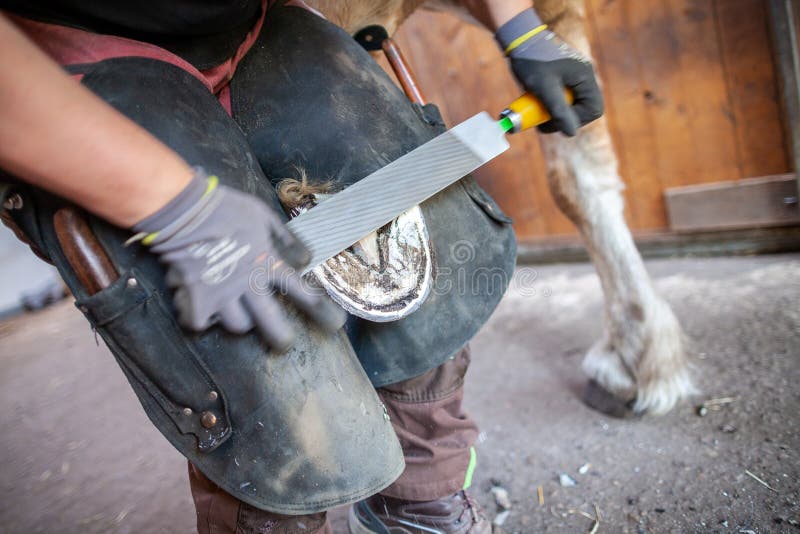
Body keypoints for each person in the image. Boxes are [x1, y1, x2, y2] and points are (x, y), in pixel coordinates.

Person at [0, 1, 602, 532]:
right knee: (256, 356)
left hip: (254, 25)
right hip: (60, 59)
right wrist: (177, 208)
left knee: (421, 255)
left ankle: (422, 503)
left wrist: (519, 25)